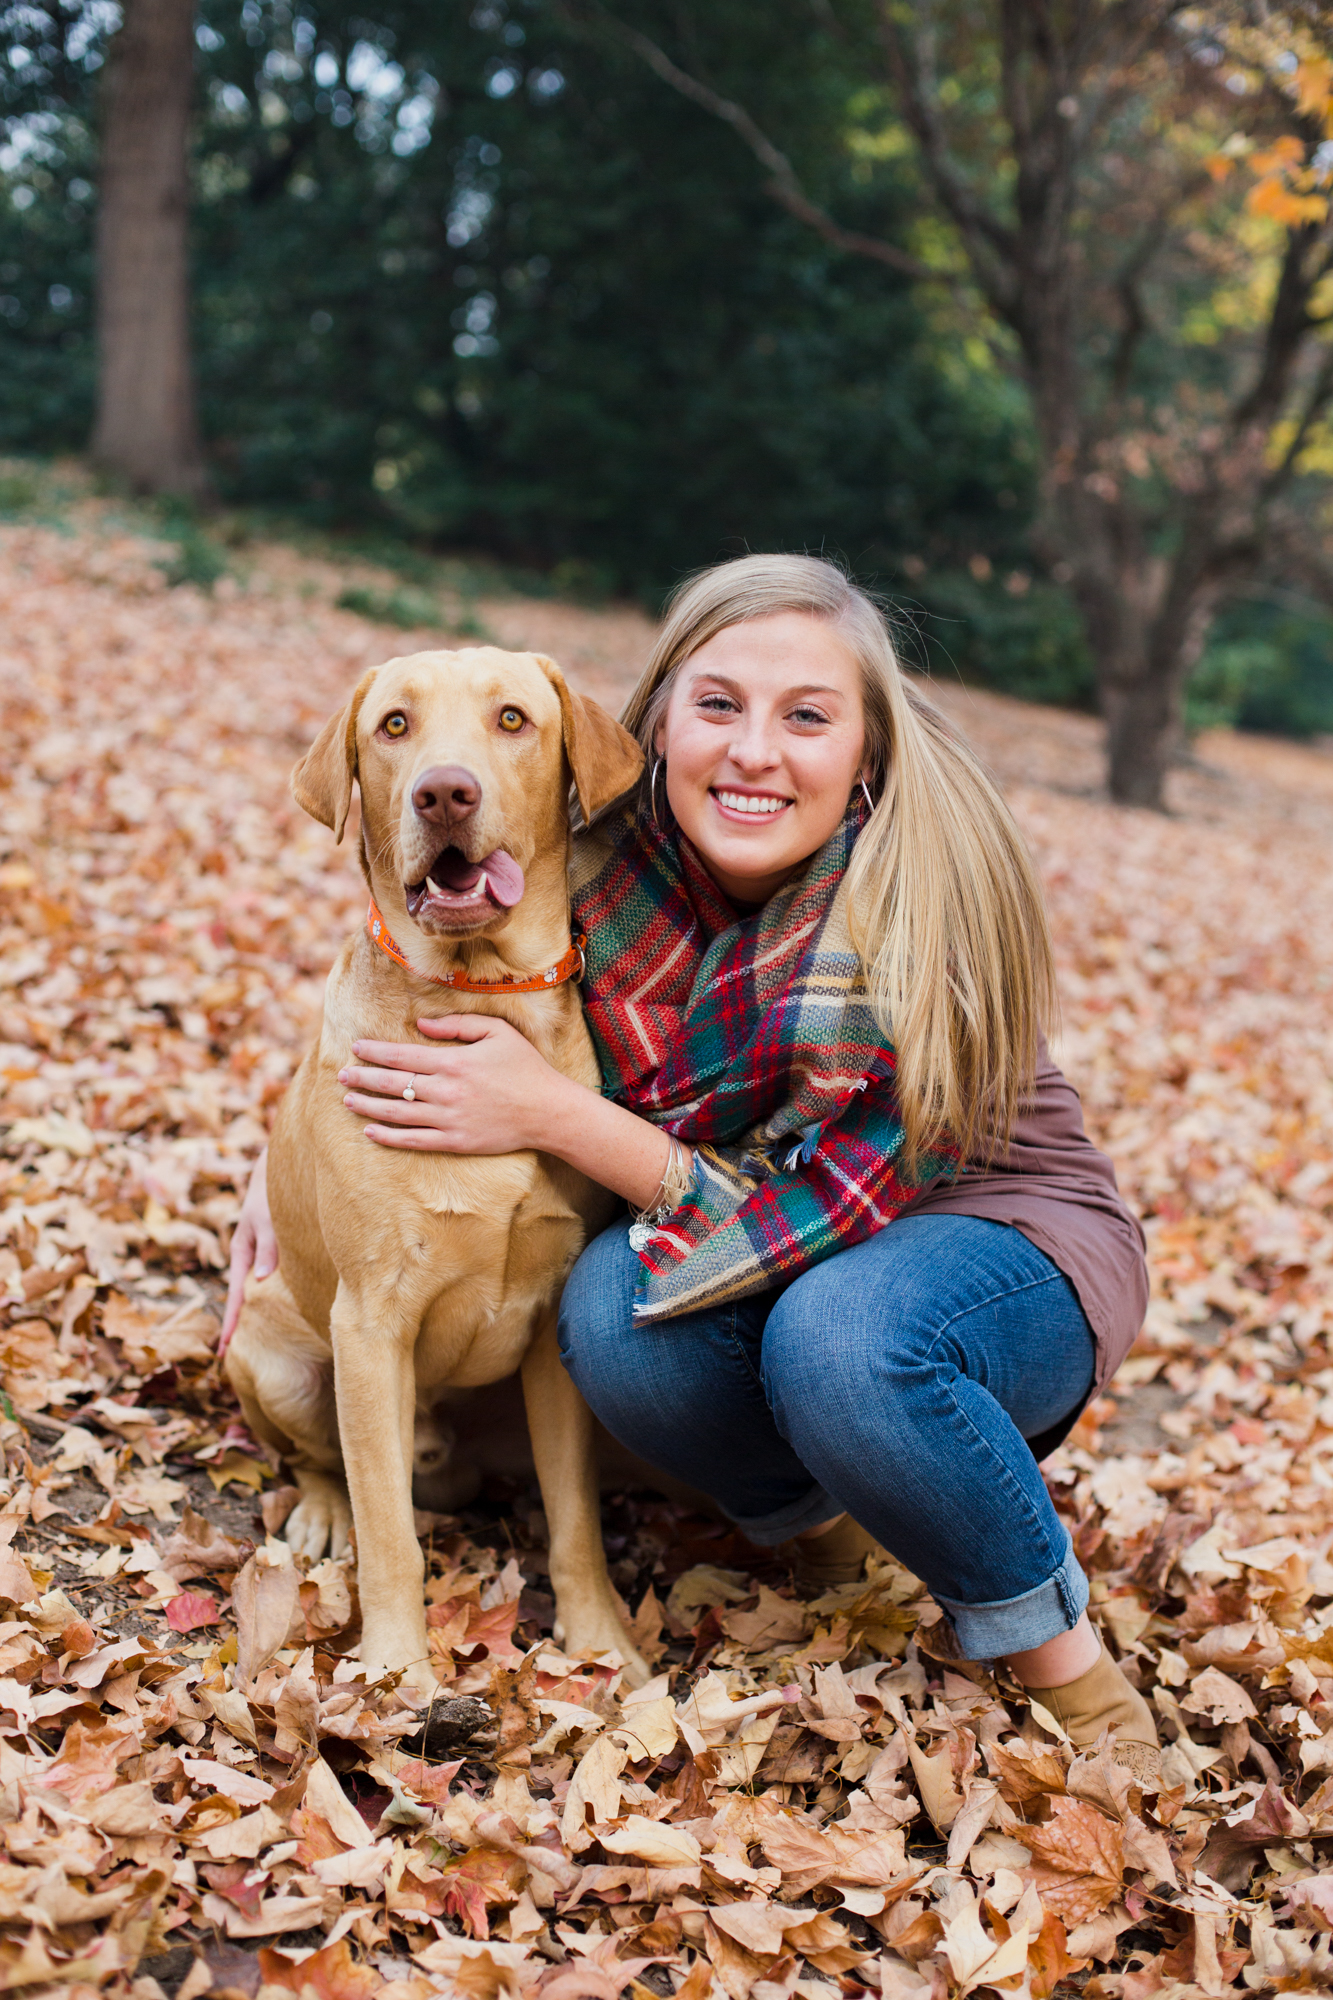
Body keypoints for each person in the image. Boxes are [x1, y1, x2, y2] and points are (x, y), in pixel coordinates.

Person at [222, 554, 1156, 1776]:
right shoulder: (590, 853)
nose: (755, 750)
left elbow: (801, 1208)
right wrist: (295, 1165)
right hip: (750, 1226)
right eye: (718, 705)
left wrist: (555, 1113)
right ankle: (826, 1514)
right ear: (654, 726)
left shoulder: (929, 908)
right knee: (611, 1309)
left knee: (837, 1332)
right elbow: (413, 952)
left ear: (869, 748)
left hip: (989, 1238)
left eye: (807, 715)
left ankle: (1070, 1671)